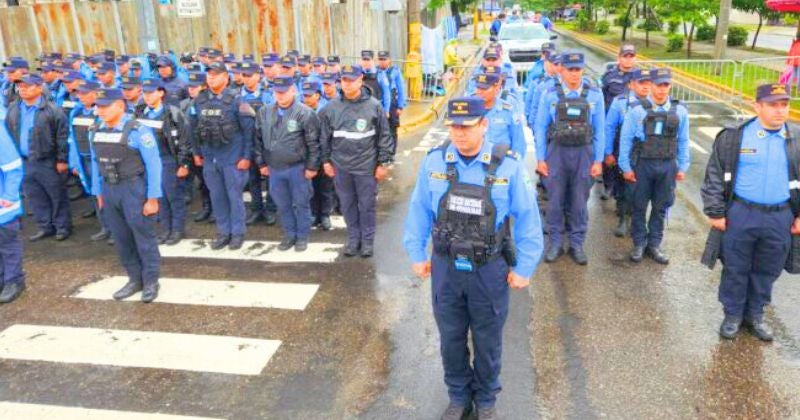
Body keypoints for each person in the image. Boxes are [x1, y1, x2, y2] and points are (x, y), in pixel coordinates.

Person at [403, 97, 543, 420]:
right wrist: (415, 251)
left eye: (466, 126)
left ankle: (486, 399)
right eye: (454, 126)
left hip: (488, 270)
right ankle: (458, 397)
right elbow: (419, 209)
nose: (459, 133)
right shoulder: (435, 162)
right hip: (446, 268)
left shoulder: (508, 166)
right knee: (451, 338)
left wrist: (524, 267)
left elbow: (527, 219)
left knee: (487, 339)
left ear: (483, 125)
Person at [702, 83, 799, 341]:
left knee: (767, 269)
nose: (780, 111)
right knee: (736, 266)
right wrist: (715, 211)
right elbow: (714, 174)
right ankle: (732, 315)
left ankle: (754, 315)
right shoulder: (734, 137)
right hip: (741, 214)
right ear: (757, 106)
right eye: (772, 105)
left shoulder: (796, 139)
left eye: (784, 104)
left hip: (780, 217)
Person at [90, 88, 162, 303]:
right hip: (110, 190)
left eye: (105, 106)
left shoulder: (138, 131)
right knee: (121, 238)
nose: (100, 111)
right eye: (98, 106)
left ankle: (150, 281)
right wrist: (98, 192)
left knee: (143, 236)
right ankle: (134, 279)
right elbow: (95, 163)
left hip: (133, 188)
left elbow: (153, 165)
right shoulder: (95, 130)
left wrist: (152, 197)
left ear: (120, 106)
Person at [534, 52, 605, 265]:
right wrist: (540, 158)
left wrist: (598, 160)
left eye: (578, 69)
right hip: (557, 153)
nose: (574, 74)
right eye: (570, 69)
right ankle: (555, 243)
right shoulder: (549, 94)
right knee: (555, 199)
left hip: (584, 153)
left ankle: (576, 243)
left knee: (579, 201)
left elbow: (600, 130)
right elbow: (540, 126)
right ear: (561, 70)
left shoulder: (594, 94)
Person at [319, 65, 394, 257]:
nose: (348, 84)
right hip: (341, 167)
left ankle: (367, 241)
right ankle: (353, 239)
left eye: (352, 80)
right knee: (347, 205)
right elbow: (324, 138)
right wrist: (326, 161)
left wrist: (383, 163)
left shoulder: (373, 106)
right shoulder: (331, 108)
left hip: (366, 167)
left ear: (360, 80)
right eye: (344, 80)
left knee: (367, 205)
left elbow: (384, 137)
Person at [619, 68, 689, 264]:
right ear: (651, 86)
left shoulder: (680, 111)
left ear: (670, 86)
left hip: (667, 165)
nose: (662, 89)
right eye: (658, 85)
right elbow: (625, 140)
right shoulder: (637, 111)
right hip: (643, 164)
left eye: (666, 85)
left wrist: (683, 166)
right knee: (639, 205)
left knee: (661, 207)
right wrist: (625, 167)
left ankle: (654, 244)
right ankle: (639, 243)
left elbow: (683, 140)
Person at [190, 61, 256, 250]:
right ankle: (223, 232)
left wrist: (246, 157)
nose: (211, 78)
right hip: (210, 158)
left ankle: (237, 233)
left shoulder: (237, 100)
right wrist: (196, 153)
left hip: (232, 158)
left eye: (216, 74)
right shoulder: (200, 100)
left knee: (234, 197)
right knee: (217, 196)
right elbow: (193, 128)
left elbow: (248, 131)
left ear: (226, 78)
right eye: (209, 75)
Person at [254, 76, 321, 251]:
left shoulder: (305, 113)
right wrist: (261, 163)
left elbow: (314, 143)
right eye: (277, 92)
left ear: (293, 91)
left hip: (297, 168)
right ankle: (289, 235)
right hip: (275, 168)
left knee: (301, 203)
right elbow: (258, 140)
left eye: (284, 92)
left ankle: (302, 236)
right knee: (282, 204)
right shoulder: (264, 112)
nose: (281, 96)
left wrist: (312, 167)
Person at [5, 74, 73, 242]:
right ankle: (45, 226)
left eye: (27, 86)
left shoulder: (52, 110)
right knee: (35, 196)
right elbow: (8, 133)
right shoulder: (14, 108)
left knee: (57, 195)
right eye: (20, 87)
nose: (23, 90)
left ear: (39, 87)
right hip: (25, 161)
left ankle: (62, 226)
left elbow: (62, 137)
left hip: (47, 161)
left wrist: (62, 160)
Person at [136, 79, 192, 245]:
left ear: (161, 93)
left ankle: (177, 230)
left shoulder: (172, 113)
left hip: (168, 160)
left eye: (151, 92)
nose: (147, 96)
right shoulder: (141, 114)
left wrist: (183, 164)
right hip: (149, 162)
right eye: (144, 93)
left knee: (174, 197)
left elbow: (184, 140)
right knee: (159, 197)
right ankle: (166, 229)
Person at [603, 68, 652, 238]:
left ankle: (637, 220)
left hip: (647, 153)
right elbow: (609, 127)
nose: (646, 87)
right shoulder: (620, 102)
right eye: (641, 83)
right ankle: (623, 218)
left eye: (648, 83)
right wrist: (608, 152)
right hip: (623, 150)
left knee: (643, 188)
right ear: (631, 84)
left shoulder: (655, 104)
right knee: (623, 187)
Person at [67, 81, 113, 243]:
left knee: (107, 193)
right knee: (95, 193)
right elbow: (71, 139)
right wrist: (74, 162)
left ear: (95, 94)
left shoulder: (101, 113)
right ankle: (105, 226)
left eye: (84, 93)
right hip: (83, 159)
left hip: (100, 160)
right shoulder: (76, 112)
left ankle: (115, 230)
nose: (80, 96)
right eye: (79, 93)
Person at [238, 61, 278, 227]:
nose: (247, 79)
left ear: (258, 76)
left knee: (270, 178)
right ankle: (256, 209)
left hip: (266, 143)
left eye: (250, 75)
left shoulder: (268, 95)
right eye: (244, 76)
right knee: (252, 178)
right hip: (246, 143)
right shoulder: (236, 96)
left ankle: (270, 209)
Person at [471, 68, 526, 158]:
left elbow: (518, 141)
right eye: (478, 88)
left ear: (496, 88)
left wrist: (515, 164)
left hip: (501, 161)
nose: (479, 92)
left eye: (484, 88)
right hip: (475, 161)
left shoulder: (508, 110)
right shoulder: (469, 109)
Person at [0, 118, 25, 304]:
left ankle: (14, 281)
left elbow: (14, 166)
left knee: (7, 243)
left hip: (2, 203)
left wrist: (9, 197)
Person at [377, 51, 406, 146]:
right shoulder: (375, 72)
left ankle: (392, 152)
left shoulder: (395, 71)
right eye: (380, 59)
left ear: (389, 60)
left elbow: (400, 88)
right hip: (380, 103)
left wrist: (401, 106)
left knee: (392, 129)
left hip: (393, 104)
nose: (382, 61)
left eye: (384, 59)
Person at [601, 44, 638, 111]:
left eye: (631, 57)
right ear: (619, 58)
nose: (628, 59)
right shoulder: (609, 75)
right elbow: (600, 97)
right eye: (625, 56)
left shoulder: (640, 76)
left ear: (635, 58)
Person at [360, 50, 392, 116]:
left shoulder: (380, 74)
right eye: (364, 60)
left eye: (368, 60)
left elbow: (386, 93)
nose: (366, 62)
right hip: (361, 109)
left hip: (376, 109)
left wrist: (386, 110)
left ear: (373, 61)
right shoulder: (357, 73)